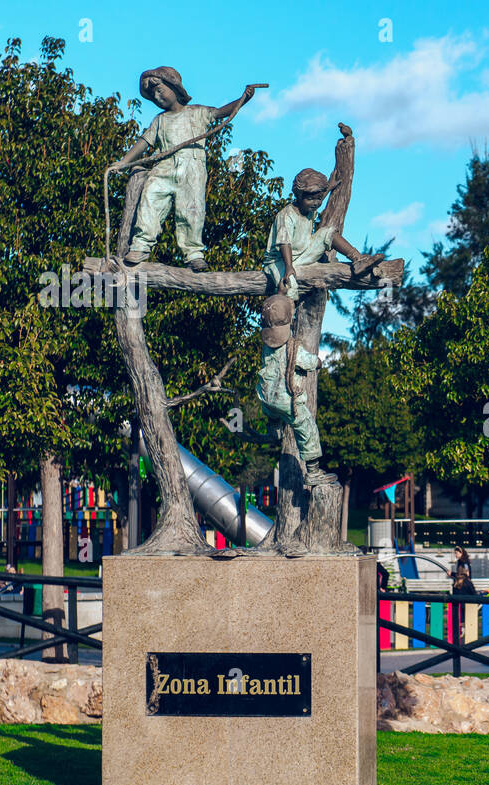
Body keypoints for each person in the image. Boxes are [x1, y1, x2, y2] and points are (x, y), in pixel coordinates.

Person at [113, 67, 257, 270]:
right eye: (153, 95)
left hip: (192, 167)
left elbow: (220, 112)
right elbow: (144, 141)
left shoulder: (197, 112)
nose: (158, 96)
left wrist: (244, 99)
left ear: (174, 87)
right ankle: (141, 245)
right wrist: (124, 161)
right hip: (164, 167)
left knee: (192, 209)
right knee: (150, 199)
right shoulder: (160, 120)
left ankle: (193, 253)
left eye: (160, 90)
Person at [262, 164, 383, 300]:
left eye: (318, 199)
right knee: (290, 287)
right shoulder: (286, 215)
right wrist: (289, 267)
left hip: (303, 253)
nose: (315, 203)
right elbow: (285, 243)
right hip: (281, 261)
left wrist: (330, 186)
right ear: (299, 196)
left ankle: (357, 259)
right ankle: (282, 311)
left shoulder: (309, 208)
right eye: (310, 199)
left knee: (328, 233)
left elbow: (317, 197)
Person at [256, 294, 333, 487]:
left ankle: (274, 427)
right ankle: (313, 471)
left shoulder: (267, 347)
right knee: (307, 428)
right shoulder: (293, 348)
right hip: (286, 401)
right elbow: (309, 362)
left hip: (265, 398)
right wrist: (318, 362)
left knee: (273, 411)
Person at [450, 571, 477, 647]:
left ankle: (460, 630)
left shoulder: (456, 584)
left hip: (458, 604)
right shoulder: (468, 583)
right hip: (468, 604)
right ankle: (468, 633)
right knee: (469, 619)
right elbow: (473, 593)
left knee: (460, 619)